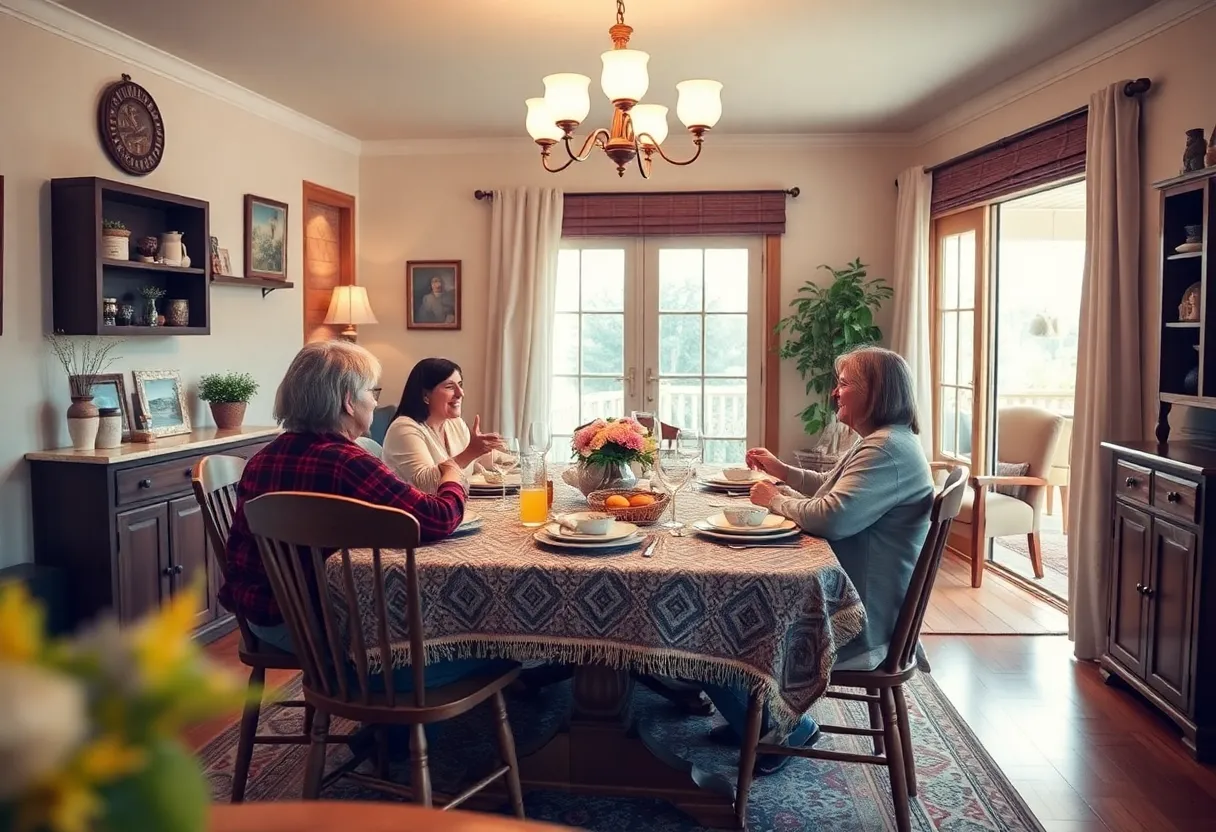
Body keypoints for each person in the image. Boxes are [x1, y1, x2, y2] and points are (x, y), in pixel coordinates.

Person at [220, 341, 510, 692]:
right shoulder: (348, 463)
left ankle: (376, 719)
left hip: (264, 619)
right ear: (347, 400)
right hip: (322, 626)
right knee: (495, 649)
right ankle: (391, 728)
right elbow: (436, 518)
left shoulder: (261, 460)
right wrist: (452, 474)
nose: (375, 401)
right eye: (372, 392)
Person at [702, 345, 934, 775]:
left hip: (857, 619)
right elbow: (830, 489)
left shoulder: (884, 450)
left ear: (876, 392)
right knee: (724, 613)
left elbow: (832, 517)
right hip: (867, 604)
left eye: (845, 384)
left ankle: (785, 728)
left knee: (709, 630)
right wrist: (783, 472)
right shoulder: (886, 442)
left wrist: (773, 500)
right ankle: (754, 720)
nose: (835, 393)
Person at [382, 357, 507, 493]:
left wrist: (518, 458)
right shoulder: (403, 429)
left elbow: (478, 460)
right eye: (450, 387)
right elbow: (426, 486)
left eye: (460, 385)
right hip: (417, 512)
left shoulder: (454, 423)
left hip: (454, 507)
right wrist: (470, 452)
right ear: (425, 395)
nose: (461, 393)